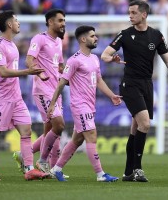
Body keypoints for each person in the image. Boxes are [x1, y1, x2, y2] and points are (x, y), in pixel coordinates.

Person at [101, 0, 168, 182]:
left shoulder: (156, 36)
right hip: (130, 84)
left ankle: (127, 173)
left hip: (147, 85)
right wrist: (113, 59)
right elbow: (104, 55)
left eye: (133, 12)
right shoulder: (124, 34)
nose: (130, 16)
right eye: (129, 12)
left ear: (144, 14)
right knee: (145, 124)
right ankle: (138, 169)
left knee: (135, 130)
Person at [48, 25, 121, 182]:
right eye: (93, 36)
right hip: (79, 105)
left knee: (77, 139)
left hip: (90, 104)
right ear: (83, 39)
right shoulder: (74, 60)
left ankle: (56, 169)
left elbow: (99, 80)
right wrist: (53, 103)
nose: (96, 38)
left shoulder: (94, 58)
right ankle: (100, 174)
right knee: (91, 136)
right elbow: (61, 83)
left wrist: (111, 95)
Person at [0, 10, 48, 181]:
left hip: (16, 97)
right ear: (9, 24)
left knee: (26, 130)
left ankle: (30, 169)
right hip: (1, 97)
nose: (19, 23)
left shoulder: (12, 44)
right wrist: (28, 71)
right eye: (16, 20)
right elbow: (2, 72)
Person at [12, 9, 67, 178]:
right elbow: (30, 58)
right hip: (43, 90)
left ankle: (25, 154)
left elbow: (60, 66)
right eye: (60, 20)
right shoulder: (39, 38)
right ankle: (43, 162)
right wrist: (37, 71)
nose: (63, 23)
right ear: (50, 22)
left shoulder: (58, 42)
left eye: (64, 20)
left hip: (56, 91)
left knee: (50, 131)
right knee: (59, 126)